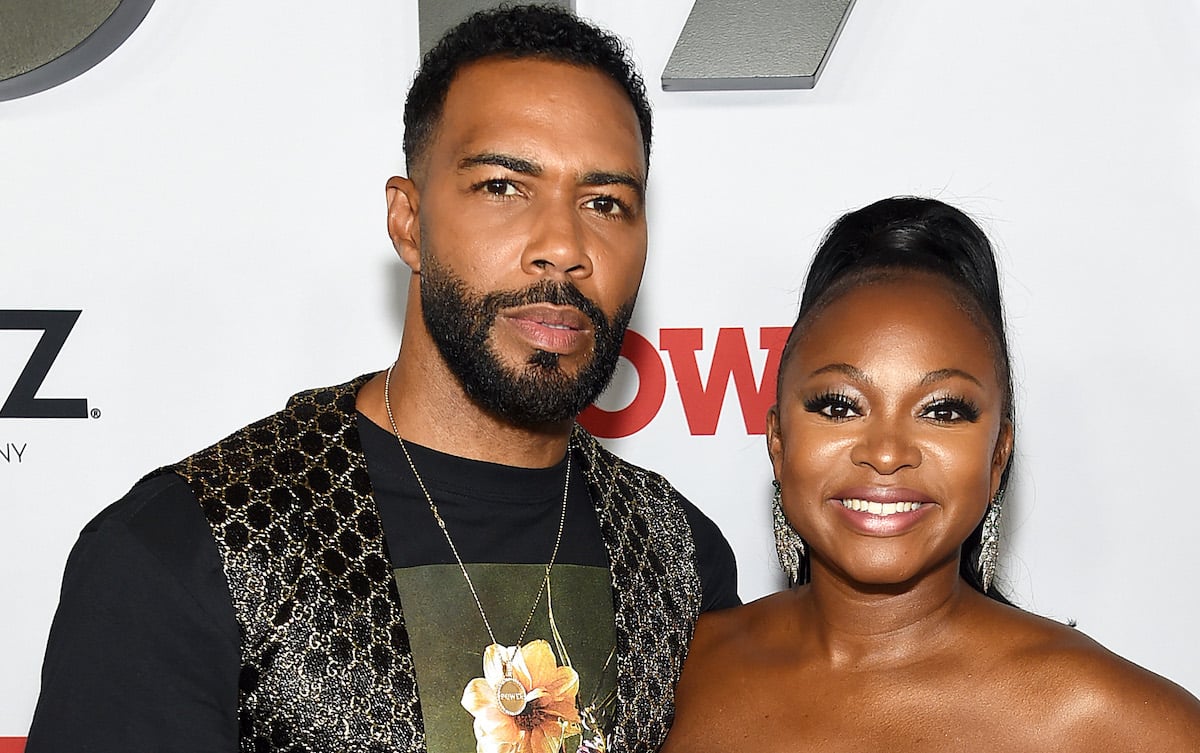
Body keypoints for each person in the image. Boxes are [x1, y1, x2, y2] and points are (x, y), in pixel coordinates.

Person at [26, 6, 738, 752]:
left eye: (605, 203)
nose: (562, 246)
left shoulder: (680, 558)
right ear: (408, 220)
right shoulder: (191, 546)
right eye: (503, 187)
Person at [662, 197, 1200, 752]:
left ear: (998, 456)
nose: (888, 452)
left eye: (943, 410)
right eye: (840, 405)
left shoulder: (1105, 720)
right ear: (777, 440)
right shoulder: (670, 674)